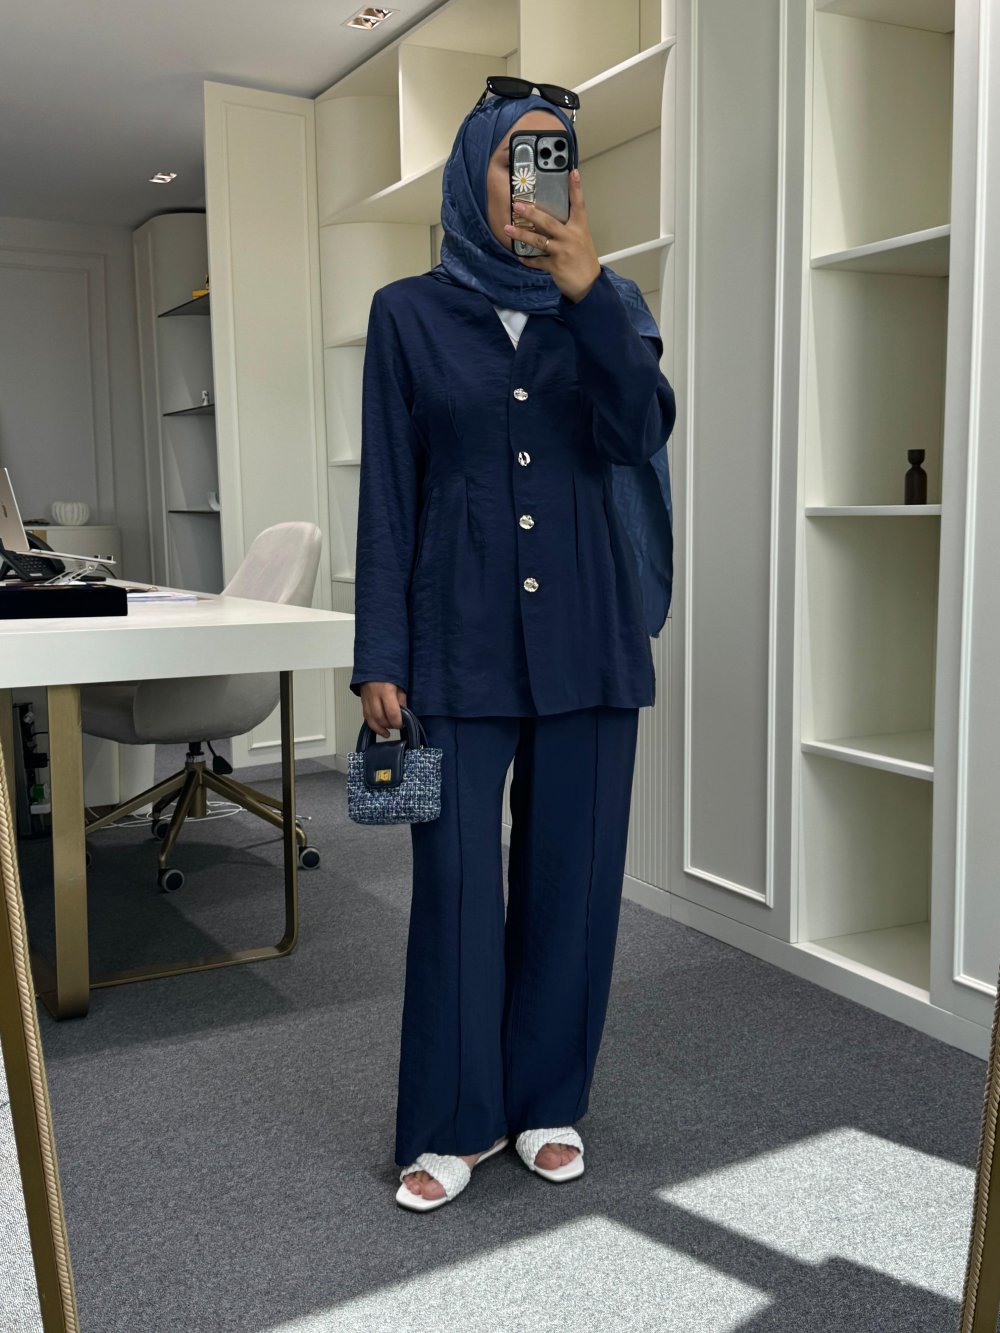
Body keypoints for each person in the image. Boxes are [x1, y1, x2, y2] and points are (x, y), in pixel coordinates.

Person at [349, 80, 676, 1212]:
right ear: (471, 174)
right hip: (455, 641)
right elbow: (390, 492)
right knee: (452, 884)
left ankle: (546, 1101)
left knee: (570, 881)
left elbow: (637, 432)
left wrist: (588, 296)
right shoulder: (406, 313)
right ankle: (454, 1118)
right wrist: (380, 652)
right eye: (518, 157)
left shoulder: (612, 304)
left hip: (590, 637)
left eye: (559, 158)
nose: (542, 177)